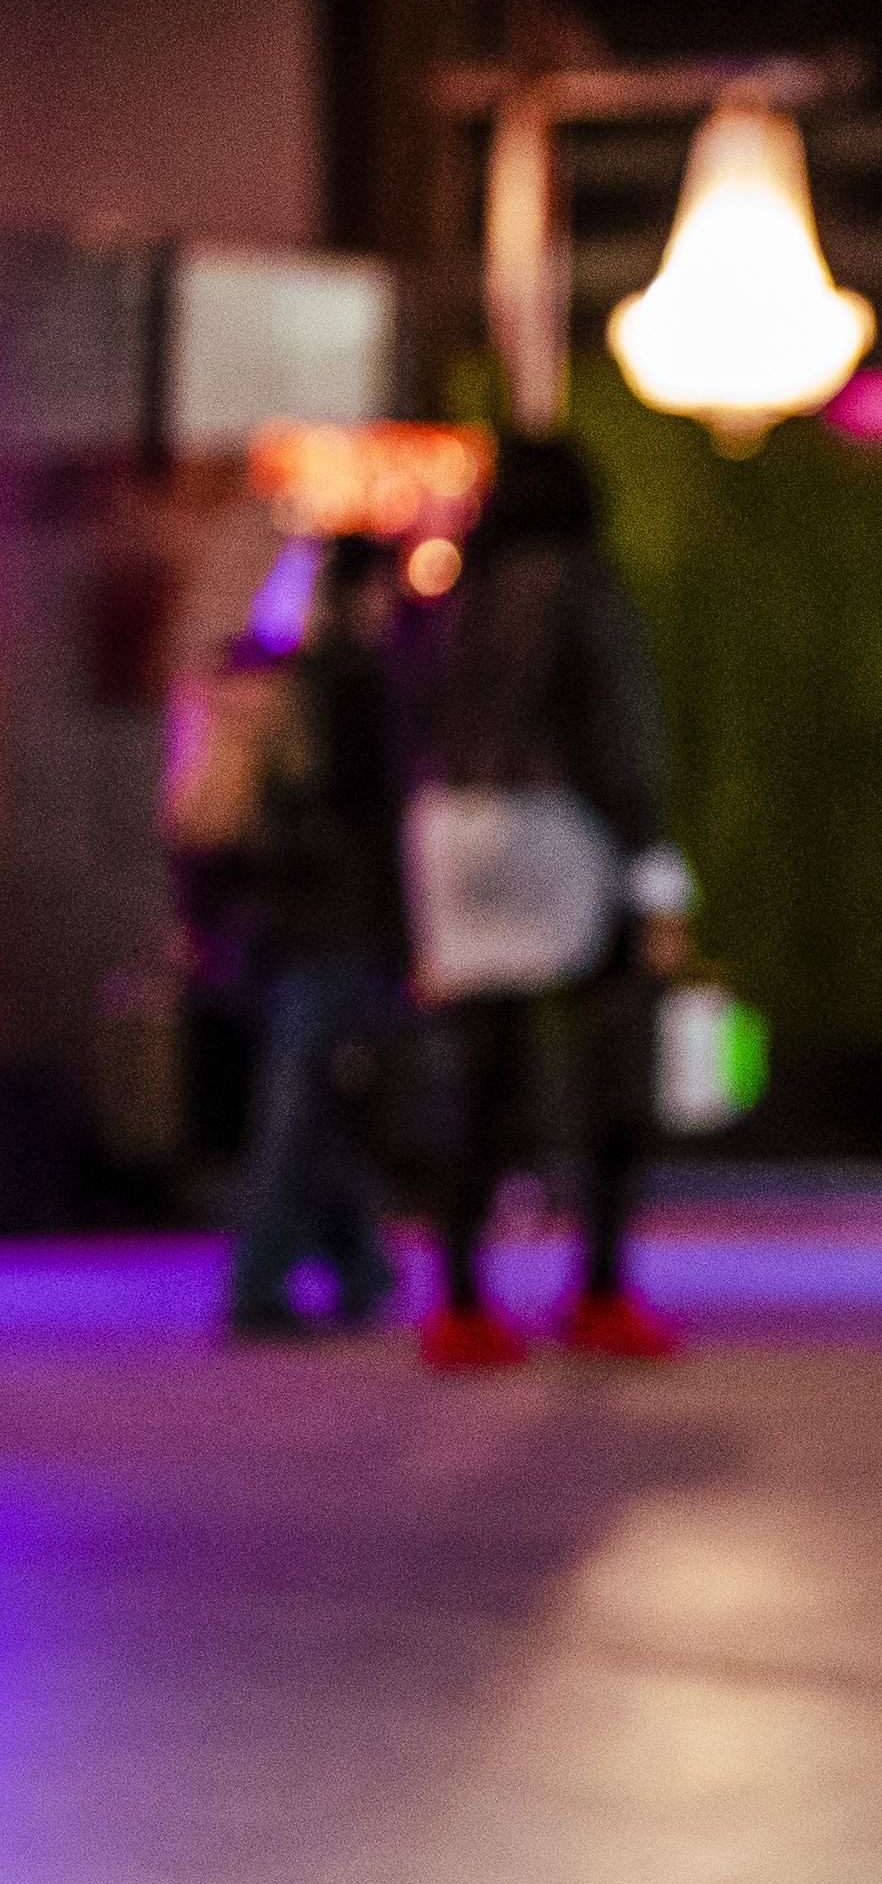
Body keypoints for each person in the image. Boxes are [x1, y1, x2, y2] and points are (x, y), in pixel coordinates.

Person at [404, 432, 694, 1369]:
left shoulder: (463, 590)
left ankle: (457, 1299)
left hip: (453, 830)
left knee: (483, 1070)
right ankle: (601, 1286)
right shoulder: (577, 581)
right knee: (614, 1048)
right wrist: (648, 850)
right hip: (555, 826)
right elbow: (610, 724)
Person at [185, 535, 408, 1342]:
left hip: (274, 921)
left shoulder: (272, 681)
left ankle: (361, 1265)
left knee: (312, 1100)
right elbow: (381, 827)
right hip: (333, 921)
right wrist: (408, 937)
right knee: (304, 1107)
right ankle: (259, 1282)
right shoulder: (358, 684)